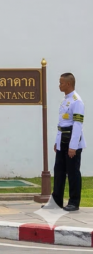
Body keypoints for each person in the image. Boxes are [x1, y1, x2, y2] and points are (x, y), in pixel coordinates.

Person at [53, 72, 84, 211]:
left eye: (61, 83)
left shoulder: (77, 101)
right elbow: (62, 123)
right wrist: (57, 142)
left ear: (68, 84)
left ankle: (74, 202)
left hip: (72, 140)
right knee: (59, 171)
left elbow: (77, 125)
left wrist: (73, 146)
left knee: (73, 172)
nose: (59, 85)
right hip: (62, 140)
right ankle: (56, 200)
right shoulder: (66, 100)